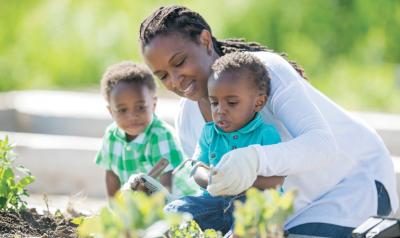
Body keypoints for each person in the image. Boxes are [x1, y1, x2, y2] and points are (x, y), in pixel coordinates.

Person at [139, 5, 398, 237]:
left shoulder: (264, 72)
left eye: (180, 62)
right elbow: (214, 190)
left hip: (353, 185)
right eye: (163, 75)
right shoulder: (188, 118)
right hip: (284, 209)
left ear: (205, 41)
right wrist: (162, 201)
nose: (175, 81)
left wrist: (254, 159)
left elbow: (322, 145)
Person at [165, 52, 283, 234]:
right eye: (214, 103)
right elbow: (197, 167)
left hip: (251, 204)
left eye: (232, 102)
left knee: (249, 227)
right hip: (215, 201)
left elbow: (277, 180)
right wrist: (211, 179)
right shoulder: (210, 132)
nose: (220, 110)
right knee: (174, 212)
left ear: (258, 103)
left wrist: (241, 182)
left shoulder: (266, 134)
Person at [95, 61, 199, 198]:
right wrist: (116, 210)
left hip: (176, 199)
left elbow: (167, 184)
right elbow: (111, 175)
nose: (132, 116)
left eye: (140, 107)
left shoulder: (160, 135)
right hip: (140, 199)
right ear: (111, 111)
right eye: (122, 110)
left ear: (153, 104)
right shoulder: (111, 135)